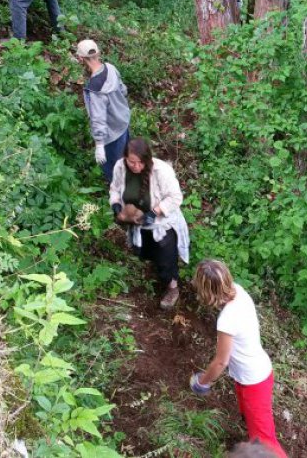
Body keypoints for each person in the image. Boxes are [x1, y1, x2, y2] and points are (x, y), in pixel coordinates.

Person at [191, 260, 287, 458]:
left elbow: (221, 362)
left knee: (264, 444)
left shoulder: (227, 319)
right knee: (248, 415)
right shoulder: (238, 291)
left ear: (207, 292)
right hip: (252, 373)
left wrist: (202, 382)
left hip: (254, 381)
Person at [109, 139, 189, 309]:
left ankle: (172, 288)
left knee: (166, 256)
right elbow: (115, 188)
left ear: (147, 159)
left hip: (162, 223)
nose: (136, 167)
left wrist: (154, 212)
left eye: (140, 163)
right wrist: (116, 205)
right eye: (132, 162)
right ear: (125, 158)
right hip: (138, 223)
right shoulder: (120, 167)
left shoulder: (161, 171)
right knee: (148, 252)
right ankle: (155, 271)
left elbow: (175, 197)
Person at [77, 39, 131, 181]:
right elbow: (123, 89)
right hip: (123, 122)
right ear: (98, 54)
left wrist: (99, 144)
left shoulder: (95, 88)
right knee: (126, 159)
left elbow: (98, 118)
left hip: (111, 134)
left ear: (81, 59)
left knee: (114, 170)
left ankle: (119, 197)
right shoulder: (110, 67)